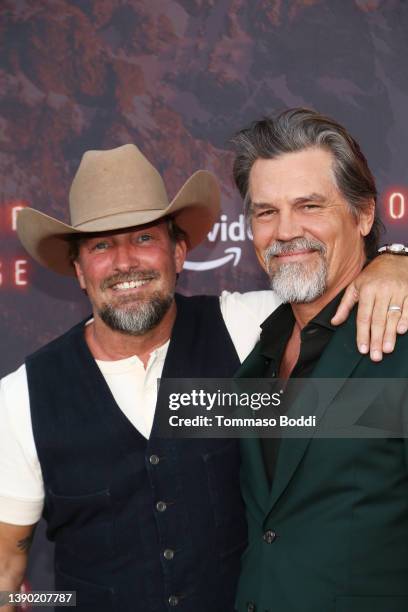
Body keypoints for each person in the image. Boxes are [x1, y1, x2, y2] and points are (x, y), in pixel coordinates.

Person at [0, 143, 406, 612]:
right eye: (102, 246)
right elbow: (8, 572)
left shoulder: (247, 327)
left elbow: (333, 274)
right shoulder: (21, 396)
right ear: (78, 270)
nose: (125, 262)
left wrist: (396, 260)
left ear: (179, 252)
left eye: (145, 239)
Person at [232, 108, 408, 612]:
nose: (286, 231)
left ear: (365, 214)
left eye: (310, 206)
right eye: (266, 212)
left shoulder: (398, 340)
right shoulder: (257, 354)